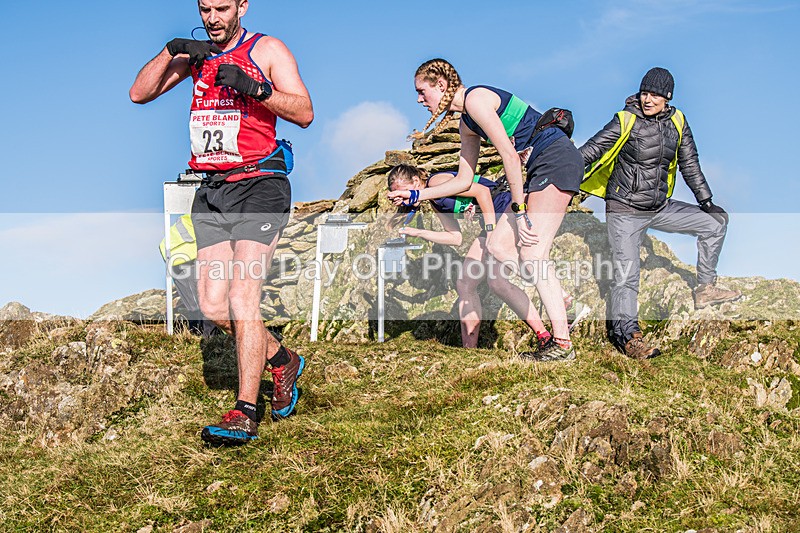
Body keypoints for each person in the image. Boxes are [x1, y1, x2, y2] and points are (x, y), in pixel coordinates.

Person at [130, 0, 314, 445]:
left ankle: (245, 411)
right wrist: (170, 49)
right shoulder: (197, 55)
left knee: (241, 297)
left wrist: (258, 89)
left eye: (222, 8)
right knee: (213, 307)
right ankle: (283, 359)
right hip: (212, 190)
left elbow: (305, 112)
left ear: (242, 7)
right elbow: (140, 93)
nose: (213, 18)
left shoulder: (267, 49)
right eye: (205, 8)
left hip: (260, 186)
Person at [388, 58, 584, 361]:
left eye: (422, 91)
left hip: (556, 159)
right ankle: (559, 306)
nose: (419, 100)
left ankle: (561, 343)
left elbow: (508, 154)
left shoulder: (477, 99)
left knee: (532, 252)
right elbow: (464, 180)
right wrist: (417, 193)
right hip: (540, 165)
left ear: (441, 84)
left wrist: (519, 211)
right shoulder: (467, 122)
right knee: (498, 244)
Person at [579, 67, 740, 360]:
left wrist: (707, 201)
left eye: (654, 94)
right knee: (627, 276)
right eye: (644, 93)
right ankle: (628, 337)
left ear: (667, 98)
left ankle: (705, 288)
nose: (647, 99)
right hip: (624, 210)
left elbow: (689, 163)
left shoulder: (677, 122)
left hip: (659, 207)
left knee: (715, 224)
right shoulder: (625, 120)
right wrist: (556, 171)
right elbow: (591, 151)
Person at [159, 214, 220, 338]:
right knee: (201, 303)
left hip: (178, 255)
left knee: (195, 303)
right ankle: (207, 338)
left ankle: (202, 336)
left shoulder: (192, 218)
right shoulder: (208, 217)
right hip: (186, 256)